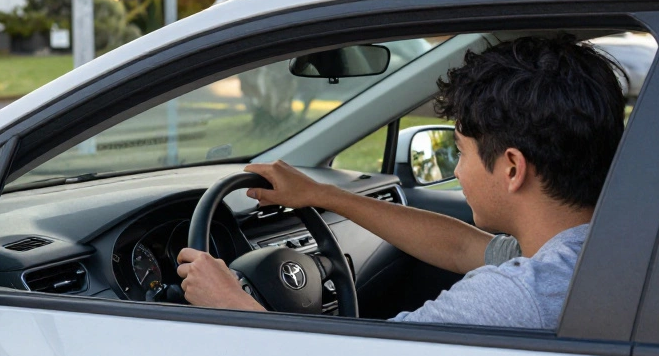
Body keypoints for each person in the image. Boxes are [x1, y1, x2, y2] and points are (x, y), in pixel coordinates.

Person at [175, 35, 627, 330]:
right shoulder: (590, 251)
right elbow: (461, 248)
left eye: (460, 152)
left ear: (512, 168)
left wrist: (233, 304)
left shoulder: (516, 296)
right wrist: (324, 195)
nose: (456, 171)